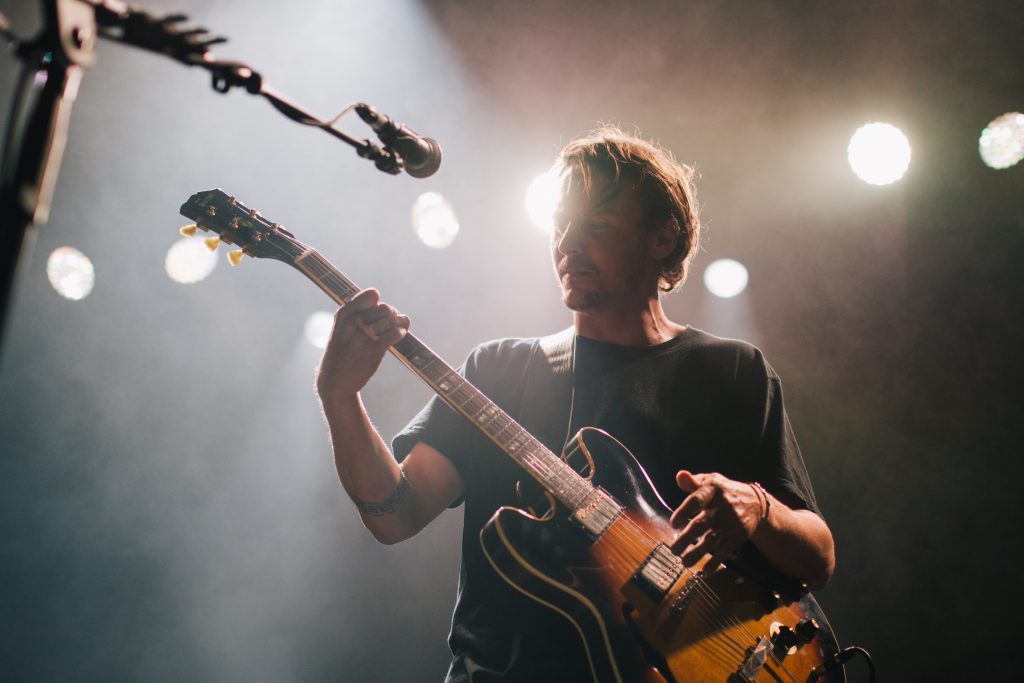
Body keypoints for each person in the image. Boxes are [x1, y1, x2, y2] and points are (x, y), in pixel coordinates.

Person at [315, 127, 836, 682]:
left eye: (595, 226)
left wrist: (758, 509)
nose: (567, 244)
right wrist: (339, 397)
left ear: (662, 237)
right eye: (560, 226)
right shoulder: (499, 370)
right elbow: (395, 515)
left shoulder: (733, 371)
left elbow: (818, 557)